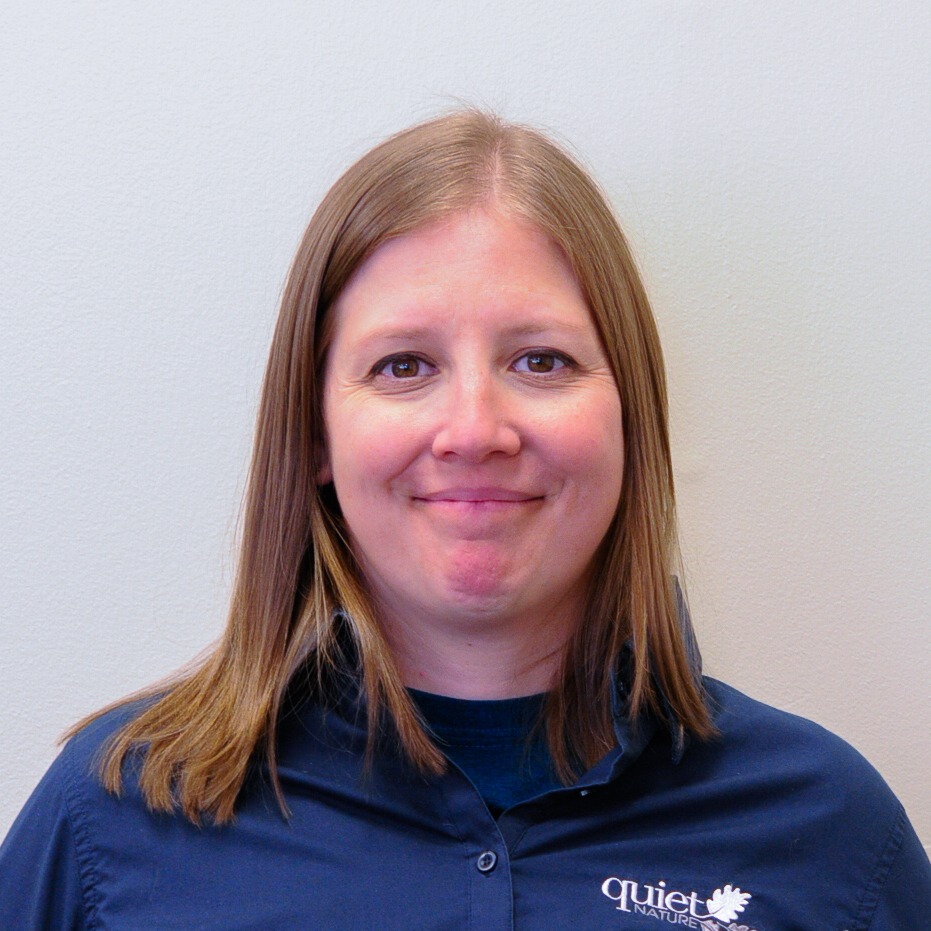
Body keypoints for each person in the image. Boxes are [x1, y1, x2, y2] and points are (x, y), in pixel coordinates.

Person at [1, 109, 928, 931]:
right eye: (404, 365)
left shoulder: (828, 833)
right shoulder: (116, 815)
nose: (474, 430)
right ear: (314, 432)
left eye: (540, 361)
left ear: (629, 418)